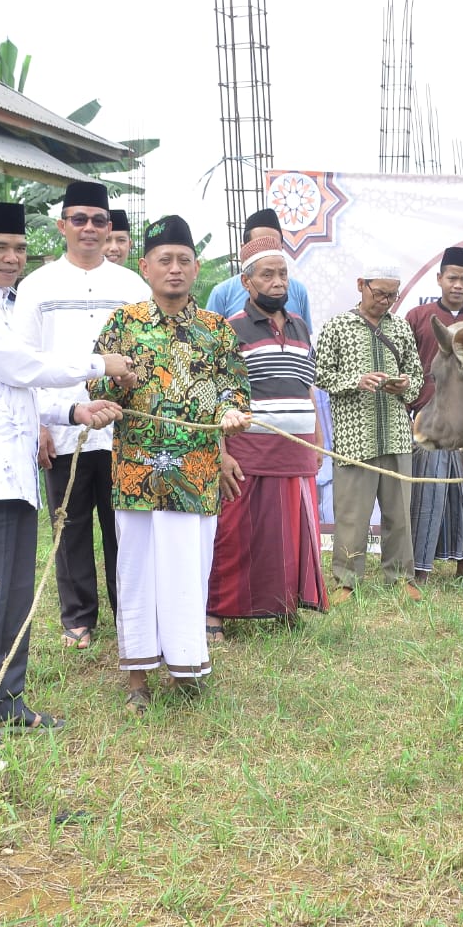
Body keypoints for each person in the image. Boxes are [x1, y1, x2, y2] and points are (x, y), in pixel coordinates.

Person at [0, 201, 129, 758]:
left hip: (10, 473)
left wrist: (70, 415)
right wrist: (97, 364)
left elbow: (14, 389)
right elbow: (20, 365)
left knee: (13, 597)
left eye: (18, 249)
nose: (12, 258)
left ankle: (7, 700)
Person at [89, 214, 250, 717]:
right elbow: (95, 385)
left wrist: (231, 412)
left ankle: (186, 668)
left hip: (195, 471)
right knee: (135, 569)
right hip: (136, 470)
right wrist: (118, 385)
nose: (175, 269)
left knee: (188, 567)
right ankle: (136, 675)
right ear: (145, 266)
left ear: (196, 266)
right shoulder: (123, 323)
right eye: (165, 260)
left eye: (184, 260)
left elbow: (235, 387)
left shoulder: (217, 330)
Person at [12, 181, 151, 653]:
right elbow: (23, 361)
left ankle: (129, 612)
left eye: (98, 220)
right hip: (63, 421)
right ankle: (77, 617)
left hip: (123, 427)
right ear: (62, 226)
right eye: (79, 219)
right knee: (69, 521)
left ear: (109, 228)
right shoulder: (37, 286)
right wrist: (41, 424)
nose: (89, 228)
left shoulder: (131, 286)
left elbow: (146, 355)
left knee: (125, 524)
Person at [205, 234, 326, 639]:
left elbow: (307, 386)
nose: (278, 282)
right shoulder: (229, 330)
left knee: (290, 535)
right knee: (235, 534)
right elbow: (215, 397)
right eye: (268, 274)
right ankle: (215, 614)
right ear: (246, 282)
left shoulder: (300, 326)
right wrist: (221, 452)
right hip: (250, 451)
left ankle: (284, 606)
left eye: (283, 274)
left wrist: (318, 437)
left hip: (296, 453)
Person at [313, 263, 425, 605]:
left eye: (393, 295)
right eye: (380, 294)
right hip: (353, 436)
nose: (386, 301)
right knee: (351, 514)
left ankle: (401, 577)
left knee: (400, 513)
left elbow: (418, 377)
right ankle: (347, 581)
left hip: (395, 434)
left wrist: (404, 387)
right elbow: (320, 375)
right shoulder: (337, 326)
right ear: (361, 285)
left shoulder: (401, 328)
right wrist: (355, 381)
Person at [405, 246, 463, 587]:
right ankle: (421, 569)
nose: (458, 284)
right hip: (430, 420)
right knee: (427, 494)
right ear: (439, 278)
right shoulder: (418, 317)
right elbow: (407, 366)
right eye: (452, 277)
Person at [204, 207, 314, 331]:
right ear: (243, 249)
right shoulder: (222, 294)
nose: (267, 252)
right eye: (259, 246)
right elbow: (209, 344)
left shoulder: (298, 291)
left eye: (272, 245)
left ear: (281, 247)